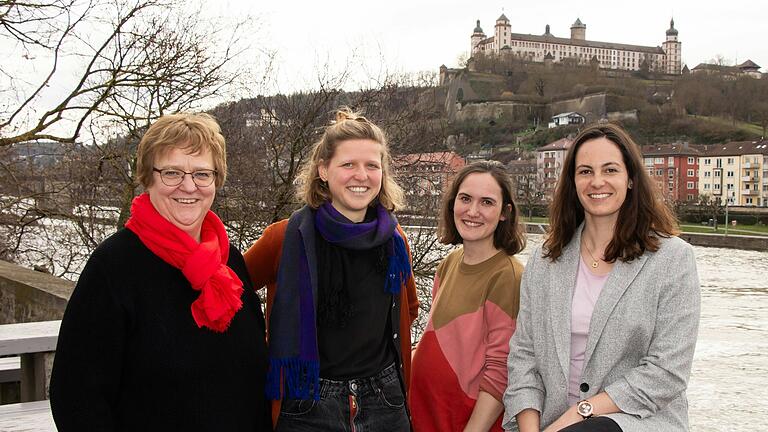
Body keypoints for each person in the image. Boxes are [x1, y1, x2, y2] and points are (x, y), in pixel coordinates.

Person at [49, 113, 271, 431]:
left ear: (216, 181)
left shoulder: (228, 261)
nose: (188, 186)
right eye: (172, 173)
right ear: (148, 177)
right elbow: (76, 397)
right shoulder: (114, 267)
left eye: (202, 174)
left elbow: (249, 377)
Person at [502, 123, 700, 432]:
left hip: (633, 422)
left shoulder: (673, 260)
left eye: (610, 170)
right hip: (551, 422)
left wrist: (580, 413)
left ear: (631, 178)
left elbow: (667, 372)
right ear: (572, 182)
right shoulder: (544, 261)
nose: (597, 182)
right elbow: (523, 359)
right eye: (585, 171)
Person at [243, 108, 419, 431]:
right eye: (348, 164)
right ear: (323, 169)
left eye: (371, 165)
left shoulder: (395, 241)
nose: (361, 175)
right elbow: (230, 294)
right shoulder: (284, 238)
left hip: (385, 402)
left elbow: (409, 308)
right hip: (307, 402)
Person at [410, 161, 526, 431]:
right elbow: (437, 338)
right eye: (465, 199)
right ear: (453, 204)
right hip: (425, 415)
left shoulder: (508, 276)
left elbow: (501, 372)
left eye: (487, 202)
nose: (473, 211)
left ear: (504, 213)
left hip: (462, 421)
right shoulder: (450, 262)